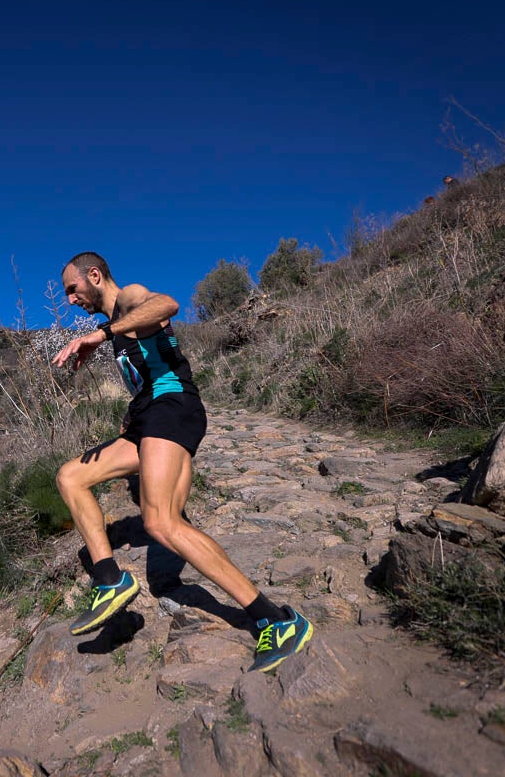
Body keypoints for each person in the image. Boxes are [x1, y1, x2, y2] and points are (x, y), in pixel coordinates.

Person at [50, 251, 312, 673]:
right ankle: (109, 578)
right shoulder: (116, 325)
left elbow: (168, 305)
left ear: (94, 276)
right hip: (148, 417)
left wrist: (101, 335)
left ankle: (277, 620)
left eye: (72, 289)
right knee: (70, 476)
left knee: (160, 524)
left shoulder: (130, 298)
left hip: (173, 408)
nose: (70, 299)